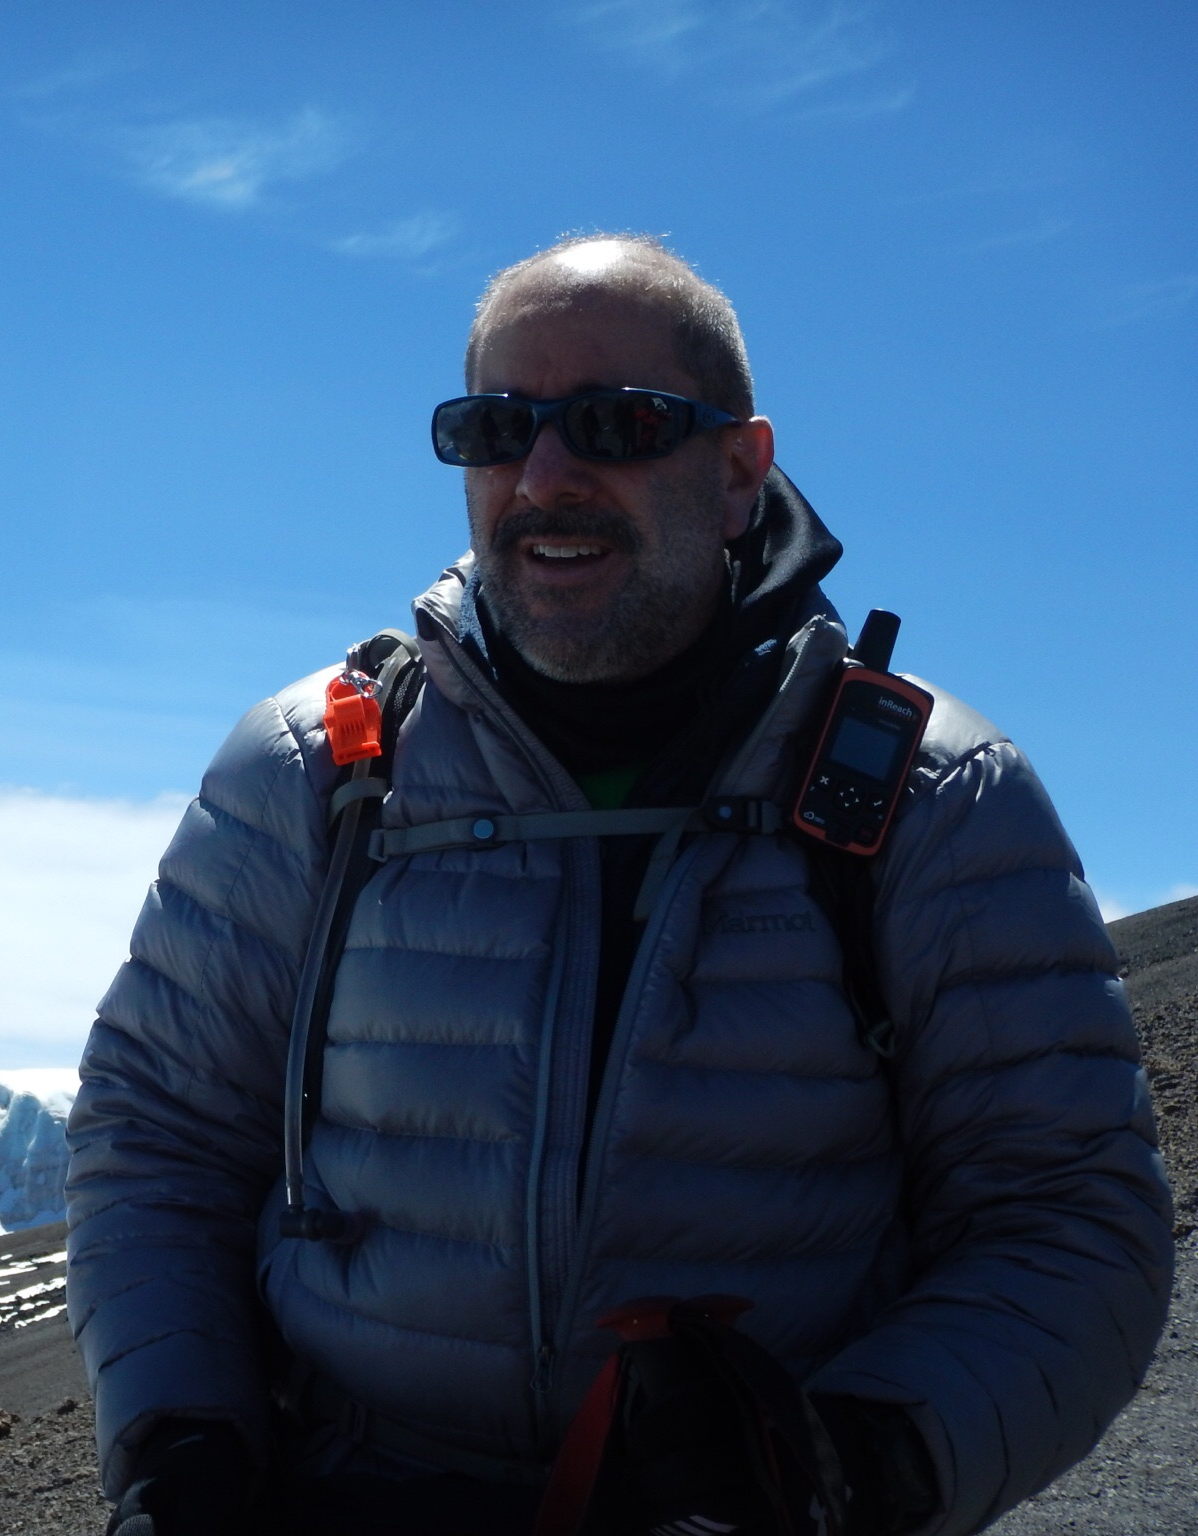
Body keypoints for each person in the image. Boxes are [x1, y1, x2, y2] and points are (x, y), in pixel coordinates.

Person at [64, 234, 1173, 1536]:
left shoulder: (931, 797)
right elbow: (159, 1143)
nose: (544, 475)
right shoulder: (314, 772)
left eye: (619, 422)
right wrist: (182, 1447)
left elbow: (1064, 1217)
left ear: (740, 474)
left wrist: (842, 1468)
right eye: (494, 427)